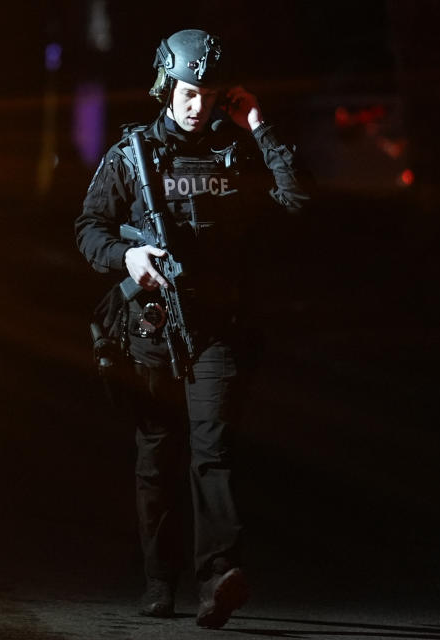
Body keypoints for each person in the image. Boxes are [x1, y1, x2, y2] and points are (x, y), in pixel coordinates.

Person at [75, 28, 310, 628]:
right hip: (150, 330)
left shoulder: (238, 151)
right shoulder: (131, 155)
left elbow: (297, 204)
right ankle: (160, 581)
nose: (195, 103)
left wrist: (259, 125)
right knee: (157, 454)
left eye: (206, 92)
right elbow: (90, 229)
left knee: (214, 452)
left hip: (216, 329)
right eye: (185, 90)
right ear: (165, 86)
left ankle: (217, 579)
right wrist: (128, 259)